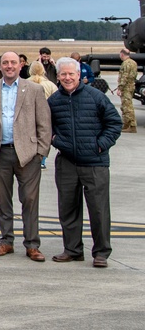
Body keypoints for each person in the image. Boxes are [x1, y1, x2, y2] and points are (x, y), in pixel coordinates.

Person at [0, 51, 52, 262]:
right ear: (0, 66)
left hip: (27, 154)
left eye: (13, 63)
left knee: (29, 199)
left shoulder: (34, 89)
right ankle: (6, 241)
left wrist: (41, 152)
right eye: (5, 63)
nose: (9, 66)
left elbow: (44, 123)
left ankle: (32, 244)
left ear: (20, 65)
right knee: (3, 200)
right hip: (0, 153)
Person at [48, 57, 122, 268]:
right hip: (67, 162)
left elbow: (114, 123)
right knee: (68, 208)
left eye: (72, 74)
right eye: (63, 74)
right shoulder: (53, 101)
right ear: (58, 76)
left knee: (98, 210)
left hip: (95, 162)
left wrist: (100, 145)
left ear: (79, 75)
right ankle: (72, 250)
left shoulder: (96, 96)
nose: (68, 78)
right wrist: (55, 140)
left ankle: (101, 252)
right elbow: (47, 127)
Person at [28, 60, 58, 169]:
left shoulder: (24, 83)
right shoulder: (50, 85)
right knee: (44, 138)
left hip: (28, 116)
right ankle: (42, 160)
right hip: (46, 116)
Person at [116, 48, 137, 133]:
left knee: (127, 107)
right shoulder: (133, 62)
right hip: (131, 86)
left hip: (126, 88)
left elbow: (124, 76)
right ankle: (126, 124)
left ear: (122, 54)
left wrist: (120, 88)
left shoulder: (125, 64)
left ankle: (132, 126)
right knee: (126, 106)